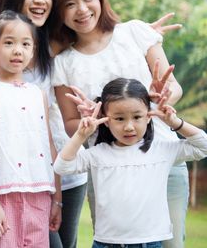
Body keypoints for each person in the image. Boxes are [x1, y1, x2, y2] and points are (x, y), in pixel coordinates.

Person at [51, 0, 187, 248]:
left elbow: (172, 86)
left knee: (173, 243)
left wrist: (159, 100)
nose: (82, 9)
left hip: (163, 159)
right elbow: (70, 123)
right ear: (58, 12)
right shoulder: (63, 62)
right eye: (69, 4)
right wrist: (96, 119)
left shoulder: (135, 33)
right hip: (109, 174)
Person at [0, 0, 87, 248]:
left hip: (63, 172)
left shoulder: (56, 44)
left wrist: (140, 33)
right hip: (11, 178)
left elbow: (99, 31)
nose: (40, 0)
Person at [54, 78, 207, 248]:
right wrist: (81, 134)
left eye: (137, 117)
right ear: (105, 118)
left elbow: (203, 147)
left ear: (149, 116)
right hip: (106, 243)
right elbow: (62, 166)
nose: (129, 126)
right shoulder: (99, 153)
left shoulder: (162, 150)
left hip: (150, 243)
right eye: (119, 118)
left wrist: (175, 122)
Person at [0, 10, 61, 247]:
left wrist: (57, 199)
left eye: (25, 44)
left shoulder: (38, 94)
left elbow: (49, 145)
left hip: (39, 193)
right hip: (2, 195)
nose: (18, 50)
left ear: (33, 50)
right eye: (9, 43)